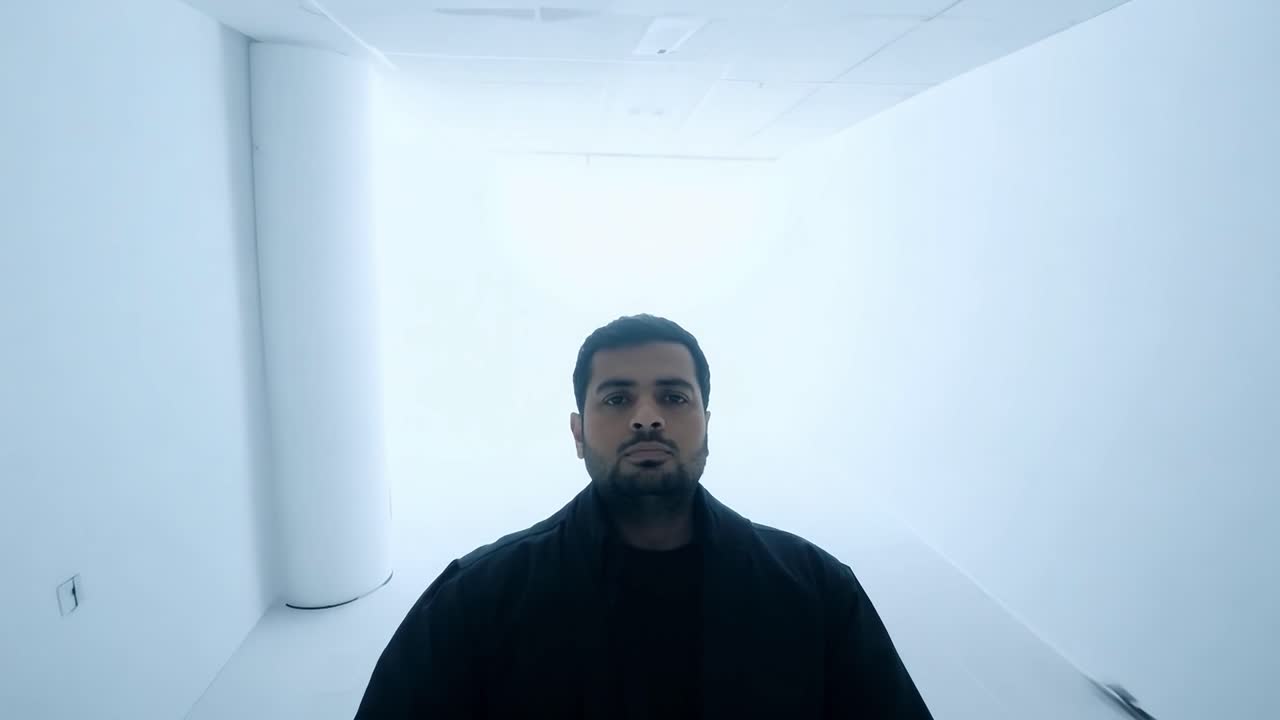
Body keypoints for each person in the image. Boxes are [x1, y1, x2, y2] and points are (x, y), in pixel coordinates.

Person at [354, 314, 933, 719]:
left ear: (707, 423)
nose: (647, 418)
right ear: (578, 433)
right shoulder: (476, 598)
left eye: (674, 397)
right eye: (617, 398)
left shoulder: (816, 589)